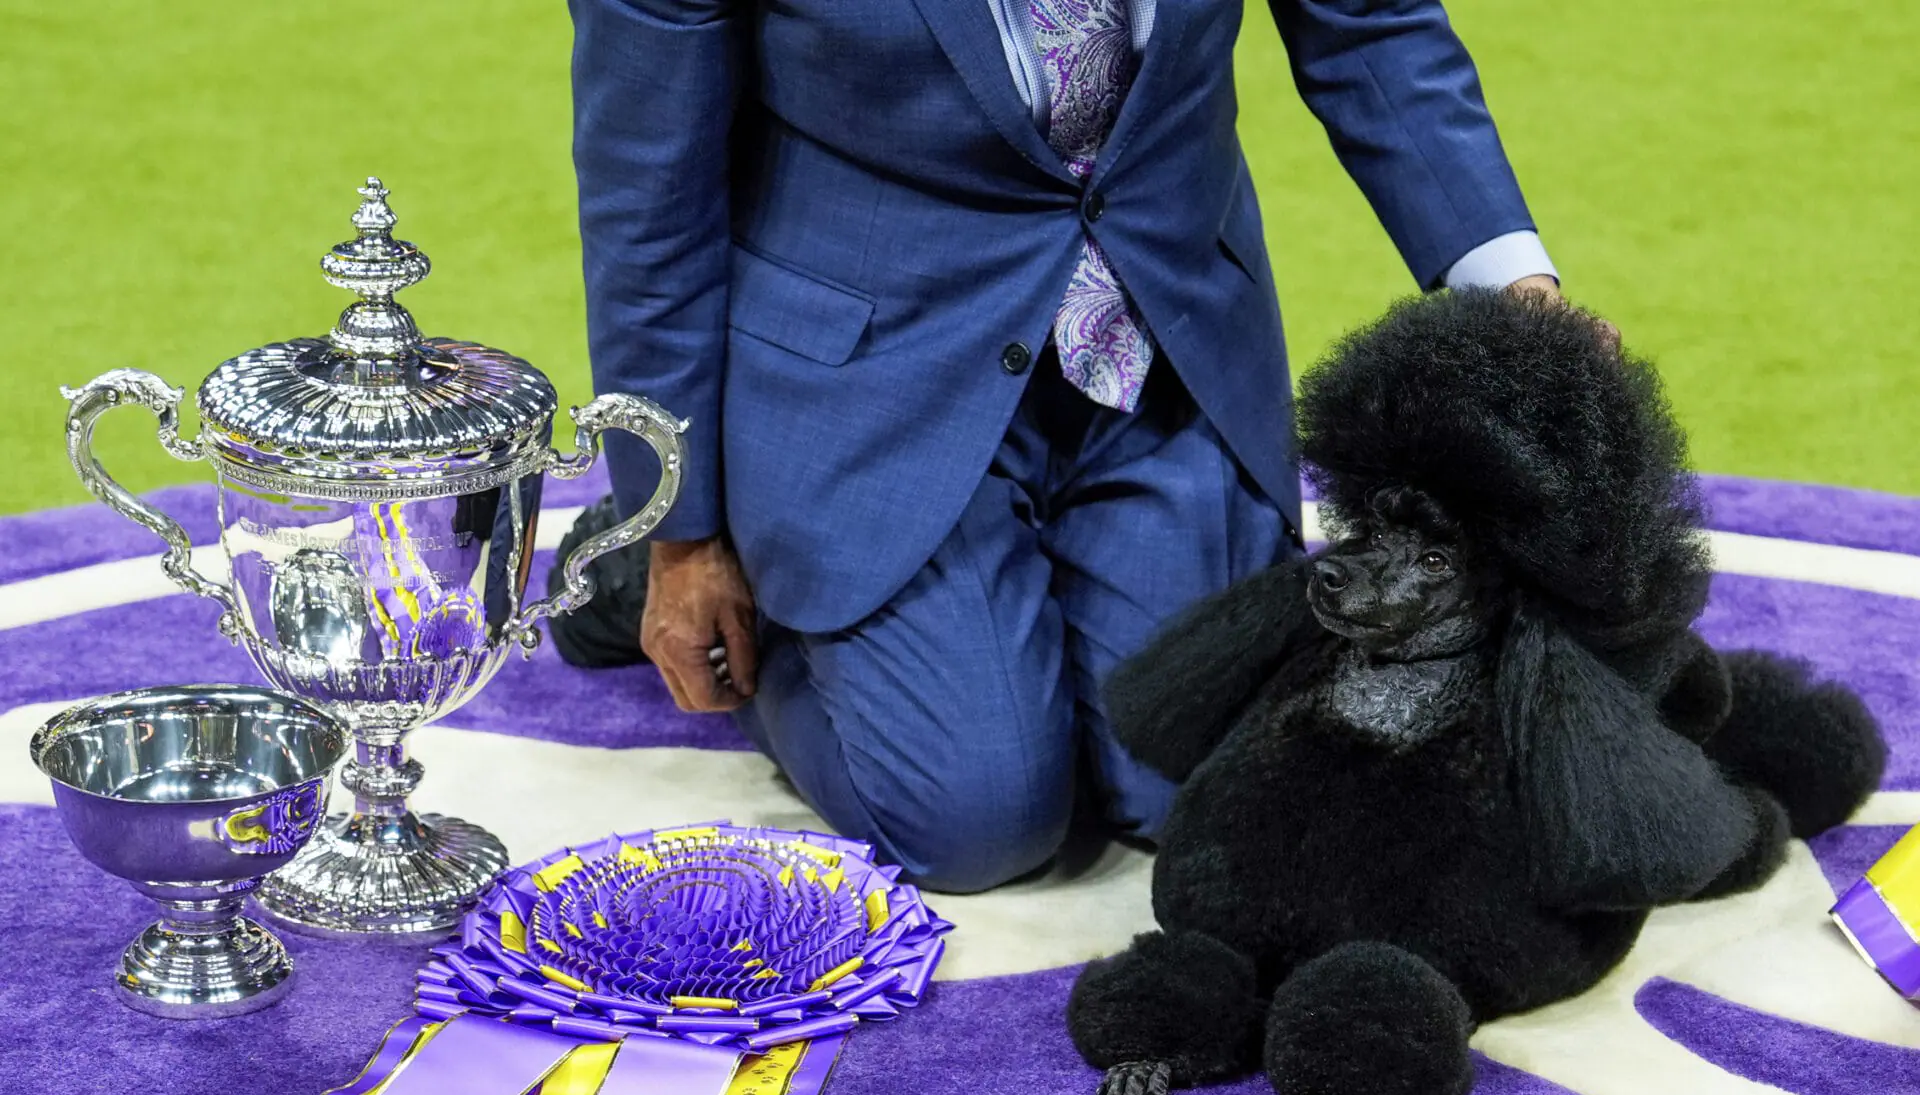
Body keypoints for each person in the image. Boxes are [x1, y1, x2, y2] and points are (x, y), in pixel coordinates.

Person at [558, 0, 1571, 892]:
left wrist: (1517, 299)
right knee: (975, 819)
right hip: (873, 379)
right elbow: (649, 195)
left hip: (1159, 345)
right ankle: (706, 571)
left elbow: (1371, 23)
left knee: (1195, 781)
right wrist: (680, 526)